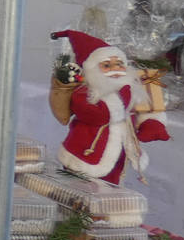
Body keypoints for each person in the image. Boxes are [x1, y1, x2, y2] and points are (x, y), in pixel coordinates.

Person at [51, 29, 169, 185]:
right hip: (85, 156)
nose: (115, 68)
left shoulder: (130, 88)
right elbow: (100, 115)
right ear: (92, 69)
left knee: (111, 190)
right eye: (107, 65)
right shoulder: (84, 92)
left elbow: (145, 107)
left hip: (119, 154)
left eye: (119, 64)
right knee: (77, 192)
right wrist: (124, 95)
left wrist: (152, 123)